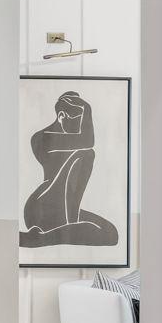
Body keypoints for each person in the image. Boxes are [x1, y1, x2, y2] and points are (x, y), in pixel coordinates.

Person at [20, 89, 118, 249]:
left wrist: (84, 109)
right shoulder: (42, 137)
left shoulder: (71, 136)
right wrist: (87, 108)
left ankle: (41, 238)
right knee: (86, 155)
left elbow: (85, 139)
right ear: (61, 116)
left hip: (67, 207)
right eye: (78, 121)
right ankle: (66, 227)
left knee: (111, 234)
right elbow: (87, 141)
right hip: (42, 206)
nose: (82, 128)